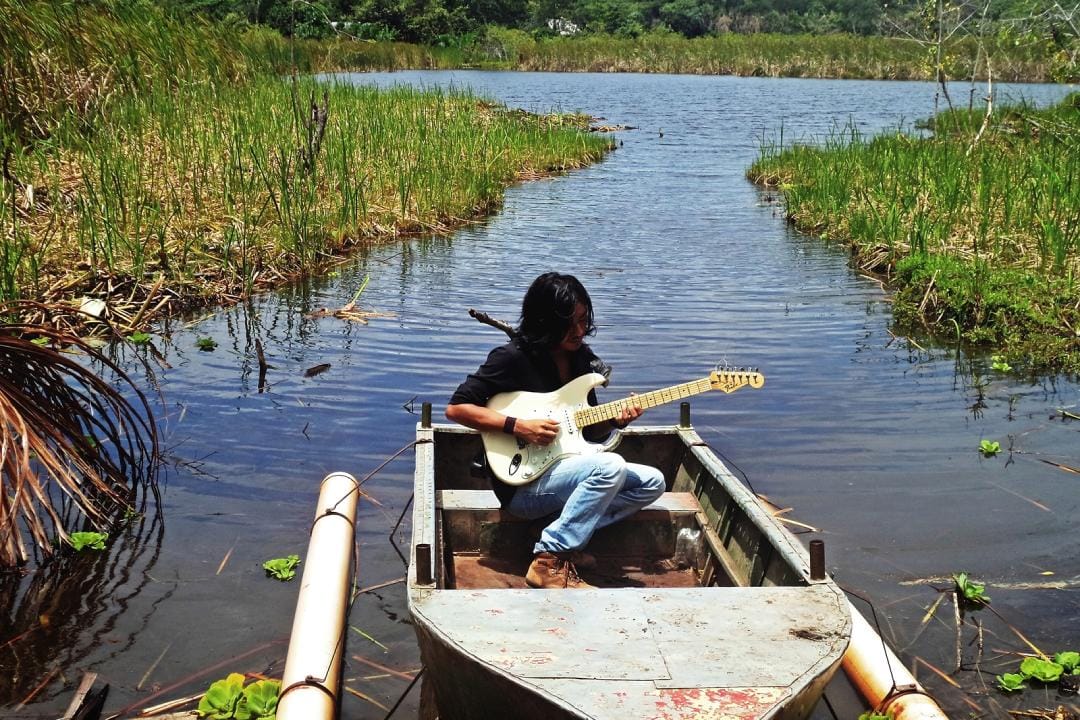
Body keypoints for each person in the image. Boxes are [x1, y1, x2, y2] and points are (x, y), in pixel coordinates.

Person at [446, 272, 666, 589]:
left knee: (651, 482)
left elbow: (583, 434)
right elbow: (457, 408)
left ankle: (557, 529)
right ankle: (550, 558)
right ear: (544, 321)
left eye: (583, 321)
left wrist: (615, 420)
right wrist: (519, 426)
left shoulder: (583, 362)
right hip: (523, 485)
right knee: (610, 467)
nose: (579, 331)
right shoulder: (511, 358)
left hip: (563, 470)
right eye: (570, 323)